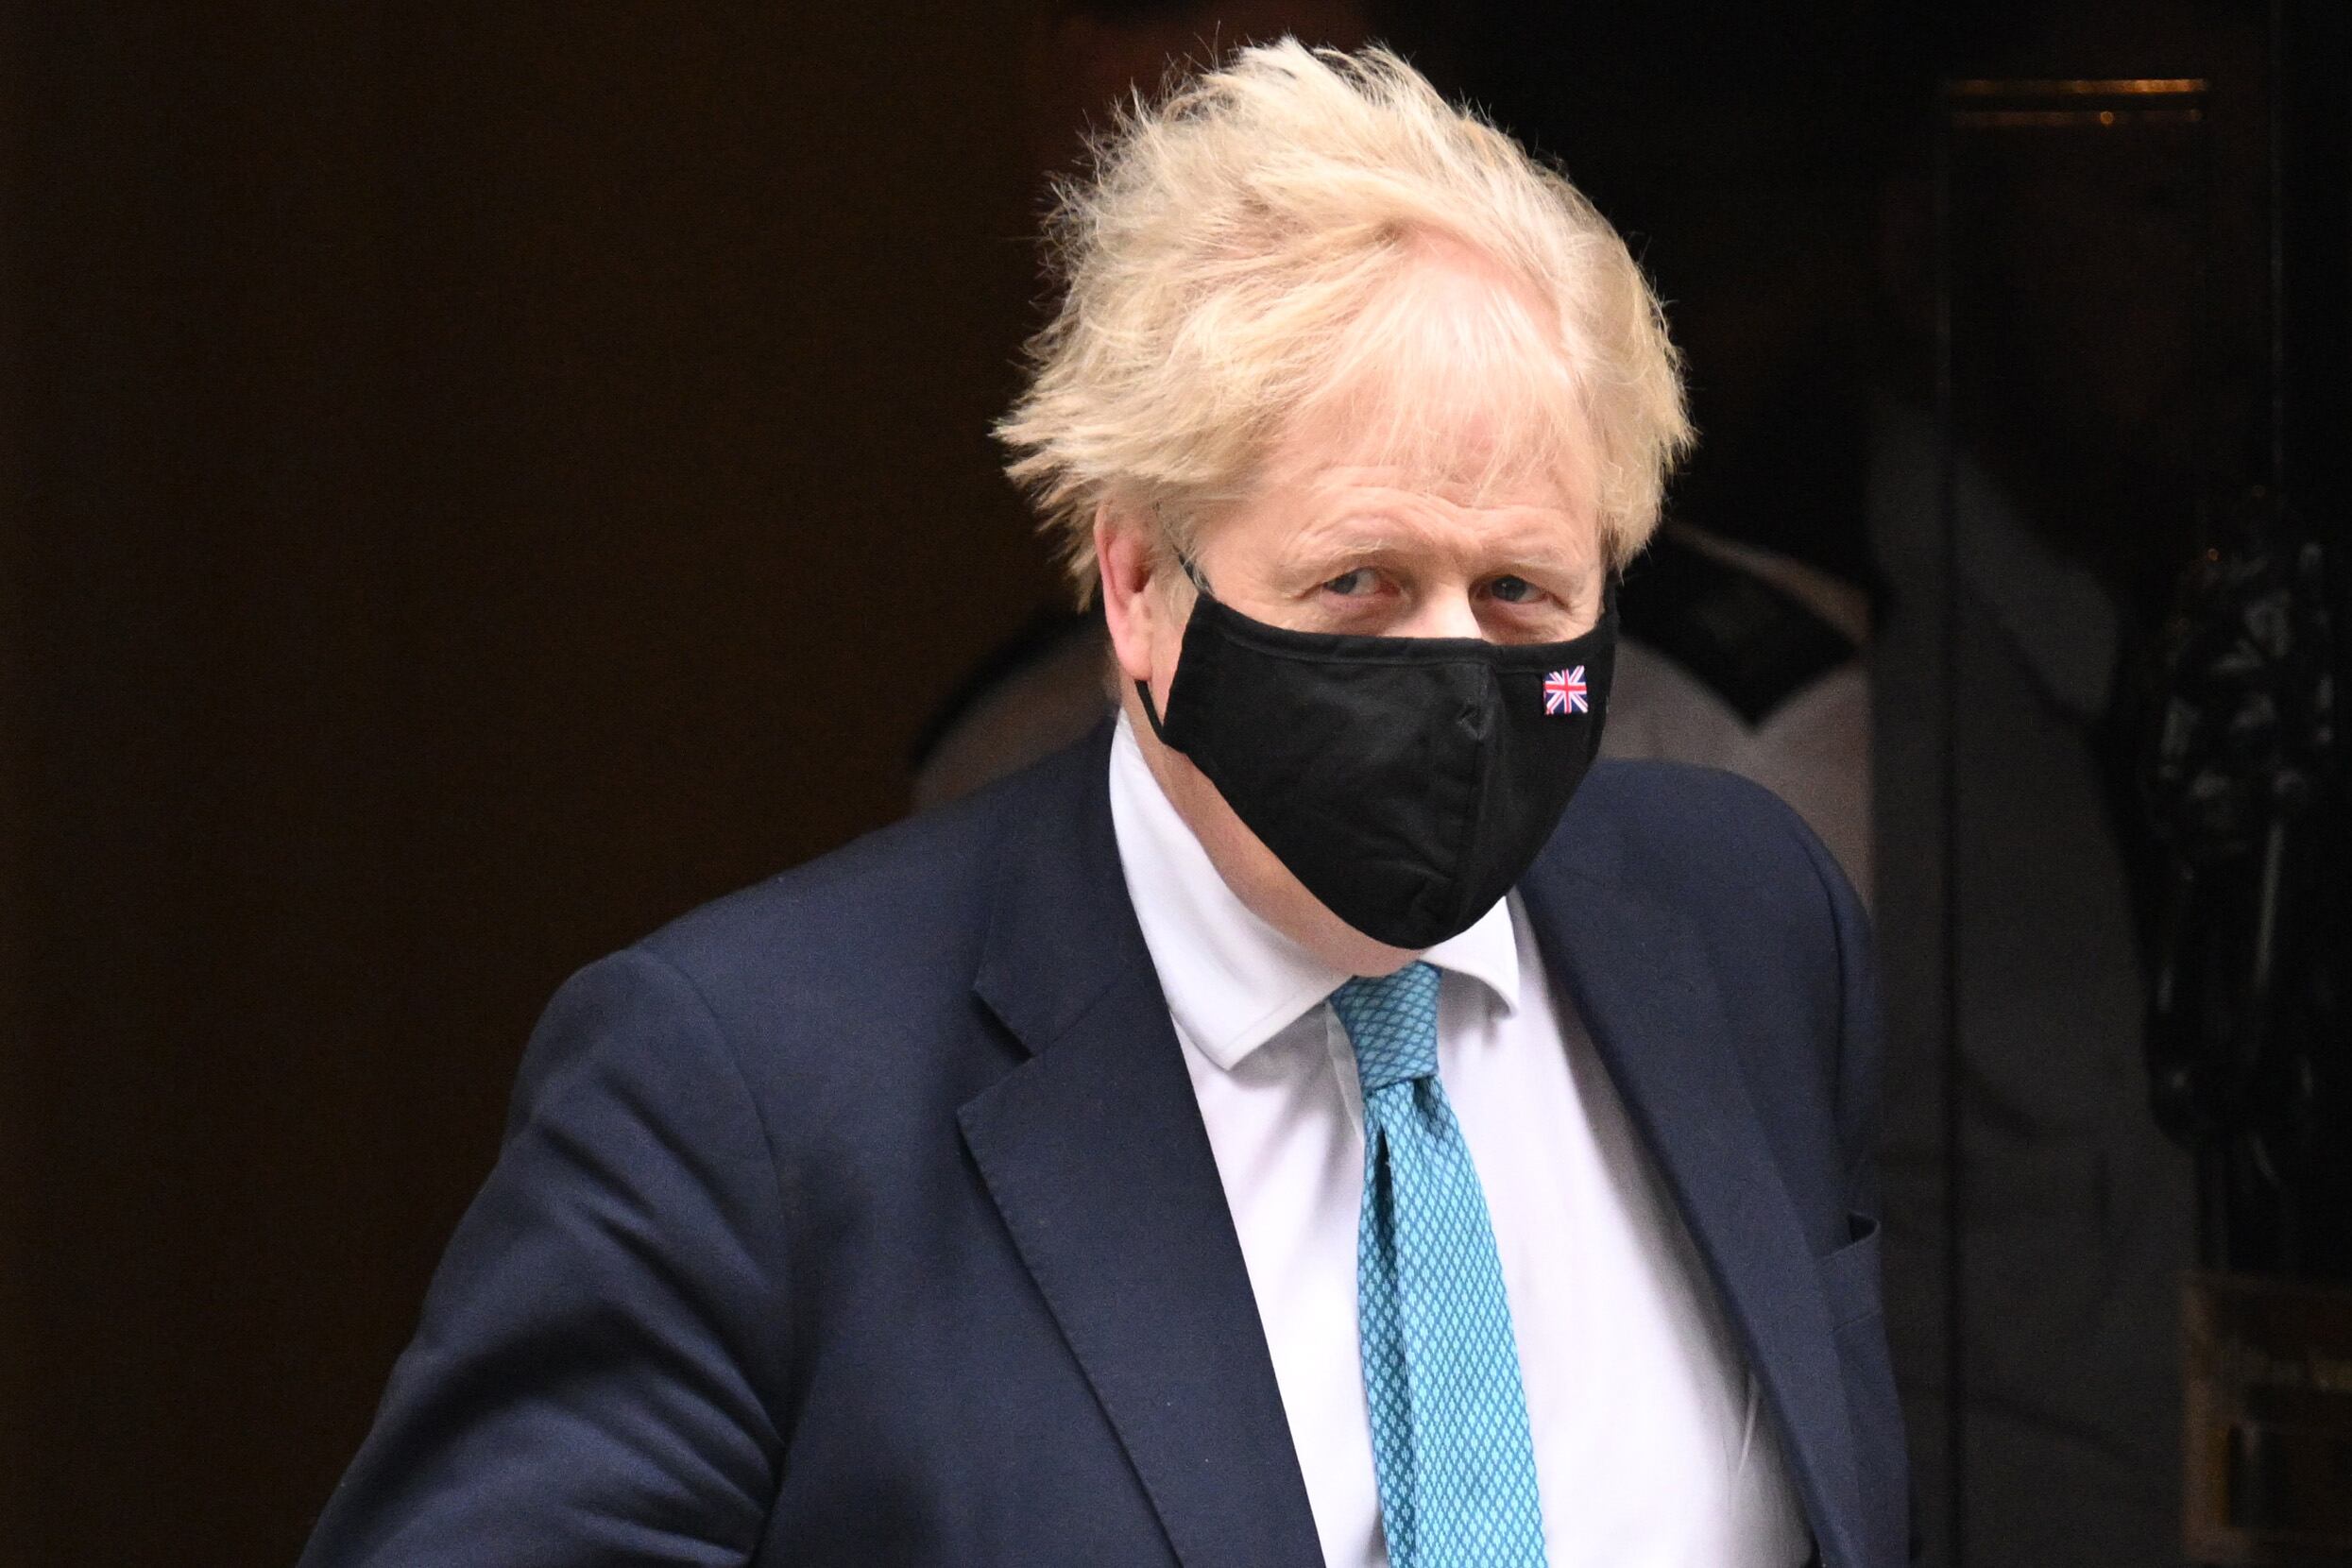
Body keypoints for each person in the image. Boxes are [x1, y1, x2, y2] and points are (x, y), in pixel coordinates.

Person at [299, 43, 1906, 1567]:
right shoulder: (749, 1093)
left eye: (1518, 592)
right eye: (1356, 585)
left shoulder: (1746, 932)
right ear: (1139, 590)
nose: (1449, 670)